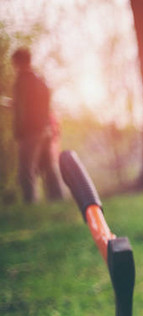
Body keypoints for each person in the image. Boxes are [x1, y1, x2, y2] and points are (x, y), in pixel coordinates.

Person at [12, 47, 66, 203]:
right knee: (49, 168)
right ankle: (58, 200)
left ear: (18, 62)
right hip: (46, 129)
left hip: (30, 131)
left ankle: (30, 202)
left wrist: (20, 130)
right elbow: (43, 106)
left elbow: (22, 108)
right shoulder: (41, 81)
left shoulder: (22, 81)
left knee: (26, 170)